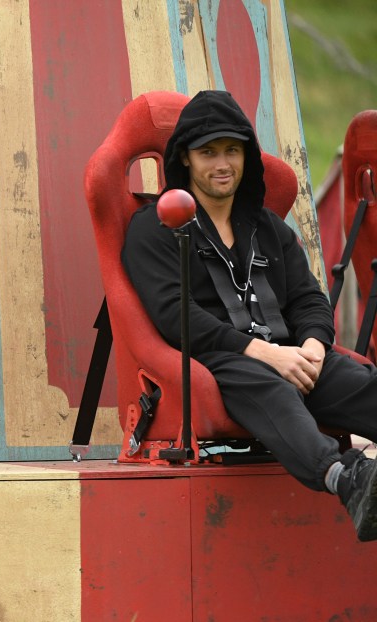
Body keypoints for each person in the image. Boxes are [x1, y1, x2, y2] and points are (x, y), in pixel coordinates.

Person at [122, 89, 377, 542]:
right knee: (268, 385)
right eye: (208, 153)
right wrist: (268, 355)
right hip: (219, 360)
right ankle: (350, 480)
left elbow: (308, 299)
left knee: (363, 383)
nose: (222, 164)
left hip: (293, 357)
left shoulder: (268, 227)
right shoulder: (155, 228)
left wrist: (314, 347)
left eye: (232, 151)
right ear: (184, 159)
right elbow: (176, 317)